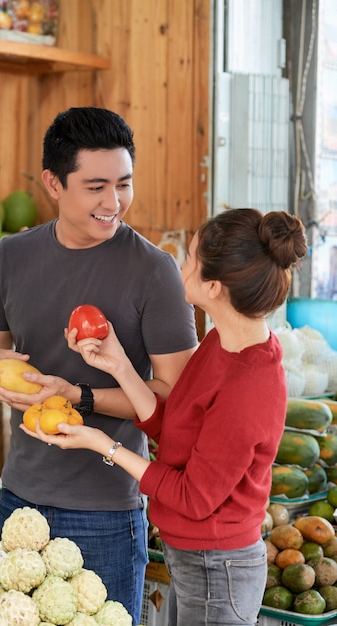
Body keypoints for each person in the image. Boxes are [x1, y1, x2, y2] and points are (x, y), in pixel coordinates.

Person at [21, 207, 308, 626]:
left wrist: (103, 444)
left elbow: (194, 497)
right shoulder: (221, 344)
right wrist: (118, 364)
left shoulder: (251, 385)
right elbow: (175, 423)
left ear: (213, 286)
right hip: (198, 561)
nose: (181, 266)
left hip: (218, 569)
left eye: (190, 258)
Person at [0, 106, 198, 624]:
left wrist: (78, 395)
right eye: (96, 186)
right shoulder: (11, 257)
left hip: (107, 512)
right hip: (20, 500)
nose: (113, 202)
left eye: (124, 183)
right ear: (54, 182)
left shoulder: (154, 272)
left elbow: (174, 402)